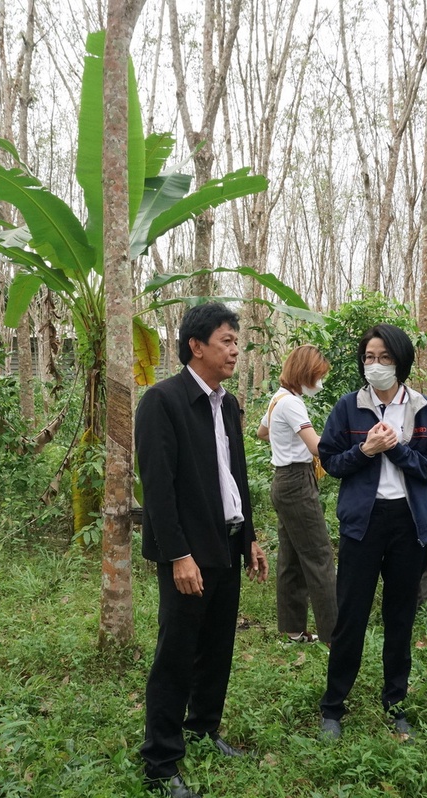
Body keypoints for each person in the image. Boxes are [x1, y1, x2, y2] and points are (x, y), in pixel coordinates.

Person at [136, 302, 270, 798]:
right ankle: (161, 762)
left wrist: (251, 536)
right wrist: (177, 555)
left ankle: (203, 728)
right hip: (188, 553)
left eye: (237, 341)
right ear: (196, 346)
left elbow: (236, 477)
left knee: (217, 647)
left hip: (227, 543)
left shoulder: (226, 404)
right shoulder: (162, 402)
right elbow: (158, 487)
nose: (236, 350)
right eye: (227, 341)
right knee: (177, 653)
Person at [318, 323, 427, 741]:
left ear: (401, 361)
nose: (375, 366)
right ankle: (333, 707)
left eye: (385, 358)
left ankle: (396, 703)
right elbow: (331, 462)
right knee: (350, 616)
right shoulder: (348, 407)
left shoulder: (422, 409)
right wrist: (365, 450)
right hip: (363, 523)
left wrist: (396, 449)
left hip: (409, 525)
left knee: (400, 617)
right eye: (369, 358)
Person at [256, 344, 337, 645]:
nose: (320, 382)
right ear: (305, 373)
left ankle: (293, 630)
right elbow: (317, 447)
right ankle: (334, 636)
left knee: (291, 557)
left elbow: (261, 432)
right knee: (319, 556)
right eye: (318, 376)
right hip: (297, 482)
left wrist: (284, 443)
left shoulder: (278, 398)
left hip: (284, 480)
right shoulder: (292, 403)